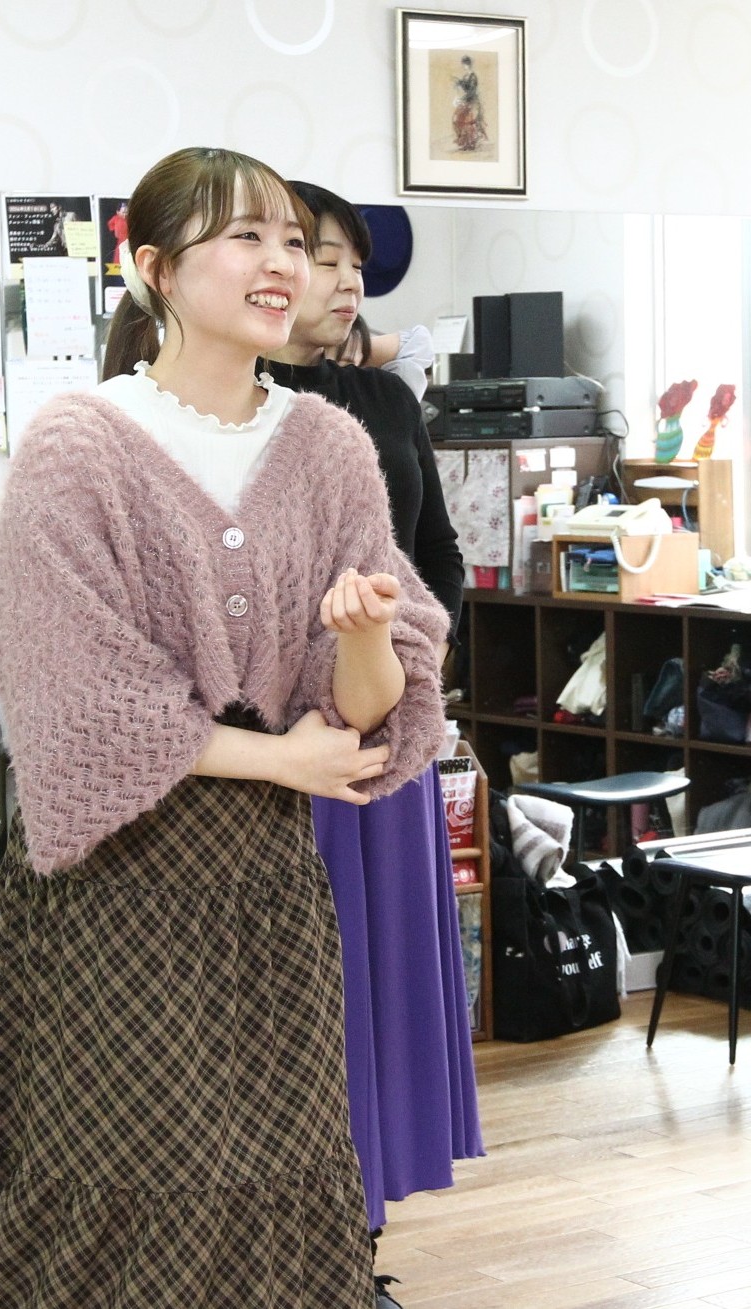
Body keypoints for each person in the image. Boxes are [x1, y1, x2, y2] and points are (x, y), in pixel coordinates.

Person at [0, 147, 450, 1308]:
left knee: (277, 1163)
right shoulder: (78, 443)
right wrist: (281, 758)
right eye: (244, 237)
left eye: (293, 241)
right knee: (117, 1173)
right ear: (156, 269)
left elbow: (371, 706)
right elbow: (74, 704)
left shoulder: (330, 447)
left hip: (264, 884)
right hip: (116, 882)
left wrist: (366, 633)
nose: (282, 265)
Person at [266, 179, 482, 1309]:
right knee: (304, 999)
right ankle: (295, 1242)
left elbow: (437, 552)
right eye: (323, 256)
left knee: (378, 992)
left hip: (387, 729)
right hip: (287, 747)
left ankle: (353, 1239)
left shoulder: (388, 399)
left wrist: (412, 665)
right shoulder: (245, 401)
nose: (346, 280)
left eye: (356, 262)